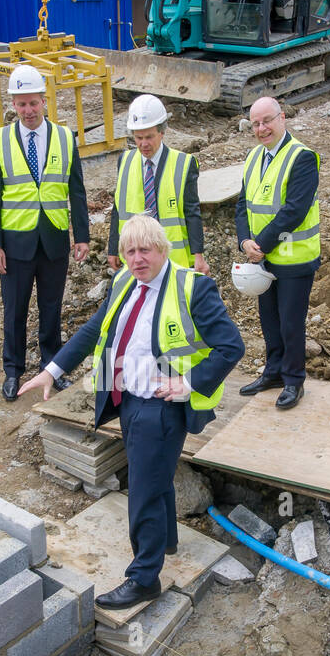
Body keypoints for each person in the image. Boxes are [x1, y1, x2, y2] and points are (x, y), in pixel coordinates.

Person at [19, 214, 243, 609]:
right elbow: (94, 329)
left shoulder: (194, 288)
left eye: (144, 250)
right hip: (127, 399)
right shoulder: (124, 282)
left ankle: (143, 578)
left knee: (143, 489)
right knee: (155, 479)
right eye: (129, 251)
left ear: (162, 249)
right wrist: (52, 370)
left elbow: (231, 347)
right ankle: (166, 541)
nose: (137, 259)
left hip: (161, 406)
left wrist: (187, 384)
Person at [0, 64, 89, 402]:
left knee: (51, 307)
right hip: (14, 244)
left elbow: (77, 190)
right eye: (21, 104)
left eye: (33, 103)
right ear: (12, 104)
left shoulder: (63, 137)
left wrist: (82, 236)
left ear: (44, 100)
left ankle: (51, 365)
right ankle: (12, 370)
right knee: (14, 308)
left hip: (54, 238)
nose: (28, 111)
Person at [235, 95, 320, 410]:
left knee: (290, 323)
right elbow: (242, 204)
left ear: (282, 118)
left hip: (294, 260)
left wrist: (262, 245)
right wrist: (245, 240)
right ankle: (273, 372)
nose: (262, 128)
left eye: (267, 120)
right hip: (263, 257)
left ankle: (294, 380)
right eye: (256, 123)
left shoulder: (302, 158)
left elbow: (294, 211)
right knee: (269, 321)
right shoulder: (254, 157)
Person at [107, 94, 207, 276]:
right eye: (138, 138)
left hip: (172, 258)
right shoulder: (125, 161)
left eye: (149, 137)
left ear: (162, 132)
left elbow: (192, 212)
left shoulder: (183, 164)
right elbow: (117, 208)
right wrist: (113, 247)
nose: (144, 144)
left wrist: (198, 255)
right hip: (136, 258)